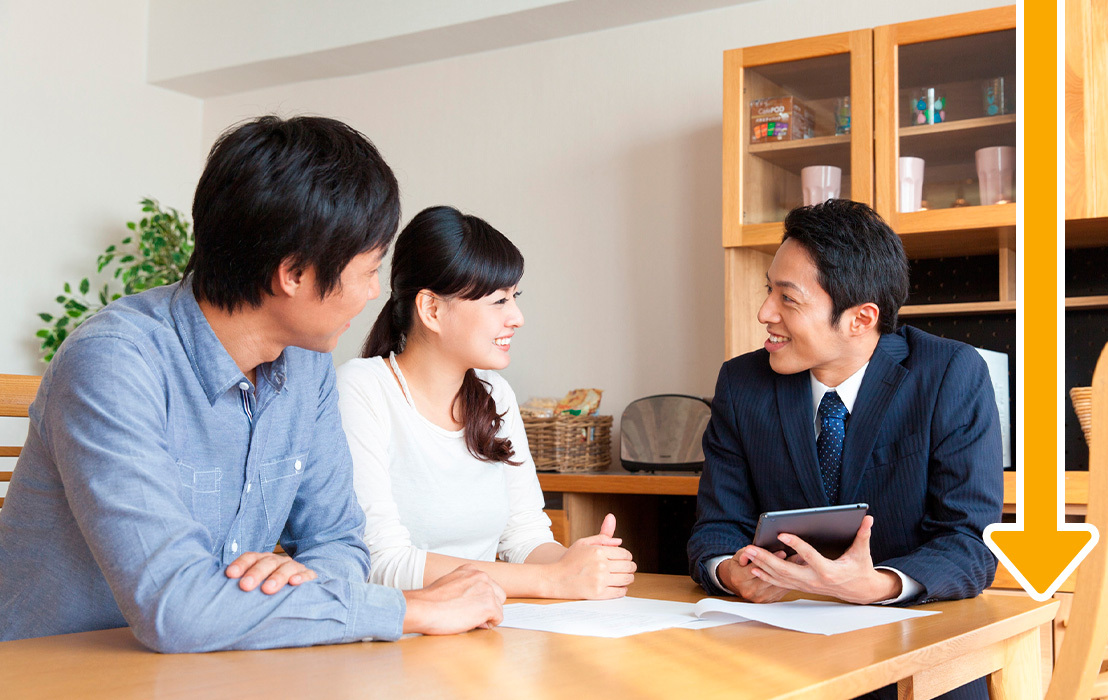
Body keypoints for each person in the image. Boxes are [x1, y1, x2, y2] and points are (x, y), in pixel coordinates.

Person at [0, 116, 504, 650]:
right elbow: (177, 609)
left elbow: (337, 542)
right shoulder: (114, 364)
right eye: (368, 269)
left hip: (219, 671)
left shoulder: (306, 366)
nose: (376, 291)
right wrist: (410, 608)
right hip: (57, 672)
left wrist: (287, 595)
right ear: (293, 274)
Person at [686, 199, 1002, 700]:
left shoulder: (948, 375)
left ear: (861, 318)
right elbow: (716, 528)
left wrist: (875, 585)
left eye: (788, 299)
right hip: (777, 648)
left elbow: (969, 542)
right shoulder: (742, 383)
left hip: (916, 651)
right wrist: (730, 573)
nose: (765, 312)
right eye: (768, 290)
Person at [336, 205, 636, 600]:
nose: (517, 317)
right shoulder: (361, 389)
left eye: (515, 297)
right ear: (431, 309)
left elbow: (525, 536)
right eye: (498, 301)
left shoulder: (495, 395)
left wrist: (576, 564)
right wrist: (552, 580)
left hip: (482, 627)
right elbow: (381, 563)